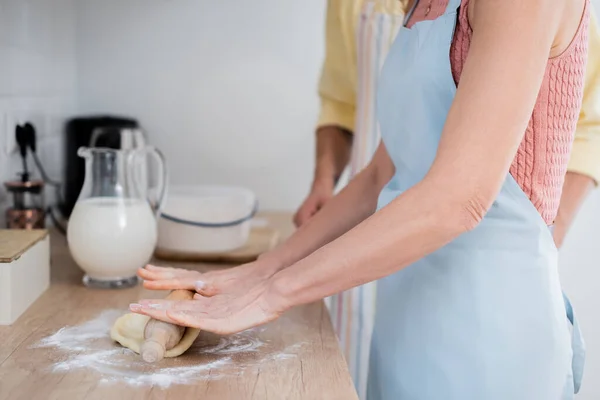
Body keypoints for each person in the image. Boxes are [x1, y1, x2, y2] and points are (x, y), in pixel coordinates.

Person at [132, 0, 592, 398]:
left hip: (493, 337)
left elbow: (458, 198)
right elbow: (376, 179)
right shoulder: (420, 5)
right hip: (405, 321)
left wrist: (275, 294)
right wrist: (261, 270)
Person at [293, 0, 600, 398]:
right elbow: (371, 168)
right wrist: (262, 273)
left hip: (489, 325)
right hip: (402, 311)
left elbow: (459, 198)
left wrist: (532, 238)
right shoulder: (410, 6)